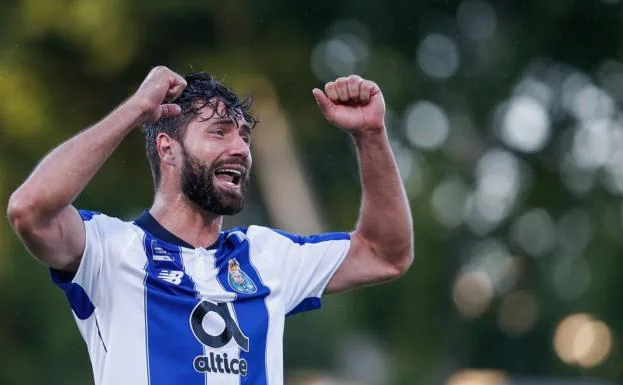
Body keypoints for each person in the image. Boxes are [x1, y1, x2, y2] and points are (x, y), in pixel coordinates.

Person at [7, 66, 413, 385]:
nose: (239, 148)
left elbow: (385, 254)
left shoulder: (267, 256)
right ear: (168, 148)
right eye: (219, 133)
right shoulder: (110, 249)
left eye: (244, 137)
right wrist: (135, 110)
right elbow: (29, 210)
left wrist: (371, 135)